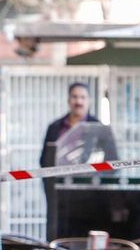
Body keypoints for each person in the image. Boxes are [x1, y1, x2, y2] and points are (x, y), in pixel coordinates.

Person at [40, 83, 118, 238]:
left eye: (83, 97)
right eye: (75, 97)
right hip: (61, 200)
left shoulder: (100, 129)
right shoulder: (55, 127)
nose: (79, 101)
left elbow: (114, 163)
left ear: (89, 101)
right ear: (68, 100)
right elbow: (44, 161)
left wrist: (97, 181)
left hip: (91, 200)